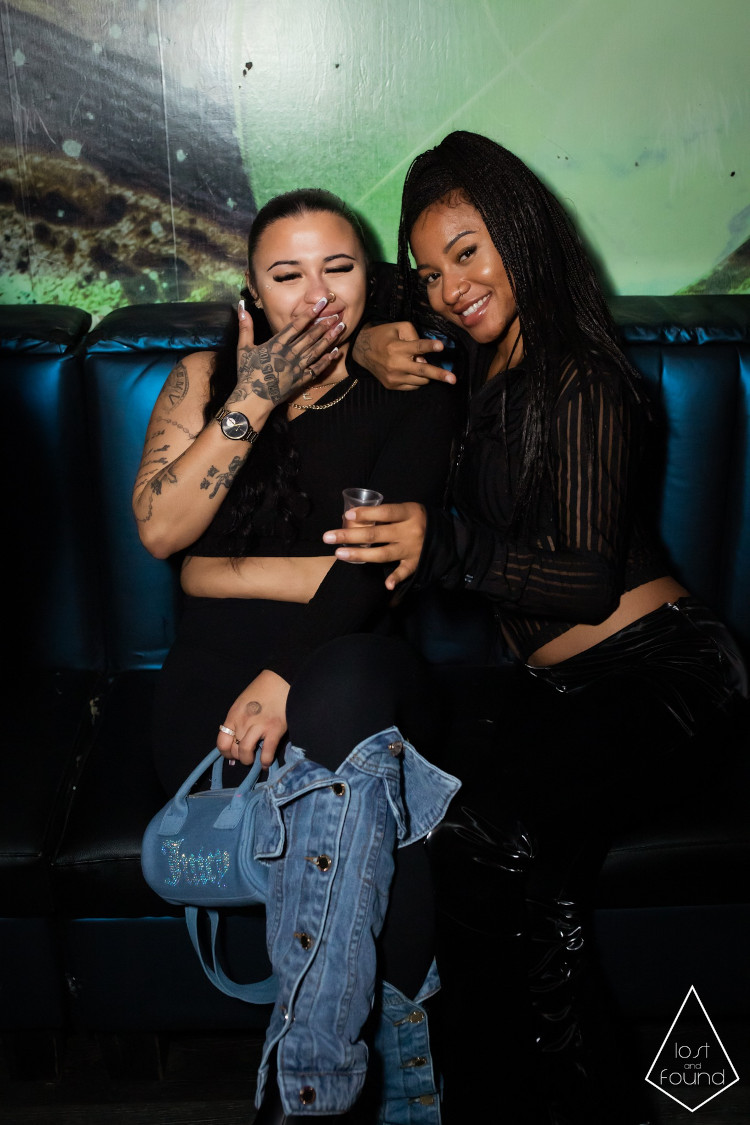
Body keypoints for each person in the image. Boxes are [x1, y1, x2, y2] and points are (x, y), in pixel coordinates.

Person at [323, 132, 749, 1125]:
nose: (450, 288)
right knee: (442, 822)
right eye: (433, 272)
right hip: (559, 690)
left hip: (664, 674)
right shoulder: (481, 356)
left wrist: (445, 547)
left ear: (518, 231)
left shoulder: (580, 374)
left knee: (499, 840)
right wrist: (361, 341)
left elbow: (587, 579)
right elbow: (362, 285)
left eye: (468, 253)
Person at [132, 188, 460, 1123]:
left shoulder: (410, 385)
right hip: (214, 712)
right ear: (252, 290)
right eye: (288, 275)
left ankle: (308, 1090)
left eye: (338, 268)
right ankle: (405, 1092)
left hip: (358, 679)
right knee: (366, 806)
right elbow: (162, 533)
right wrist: (258, 391)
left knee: (345, 690)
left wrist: (233, 592)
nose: (316, 294)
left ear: (370, 279)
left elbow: (378, 573)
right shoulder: (204, 378)